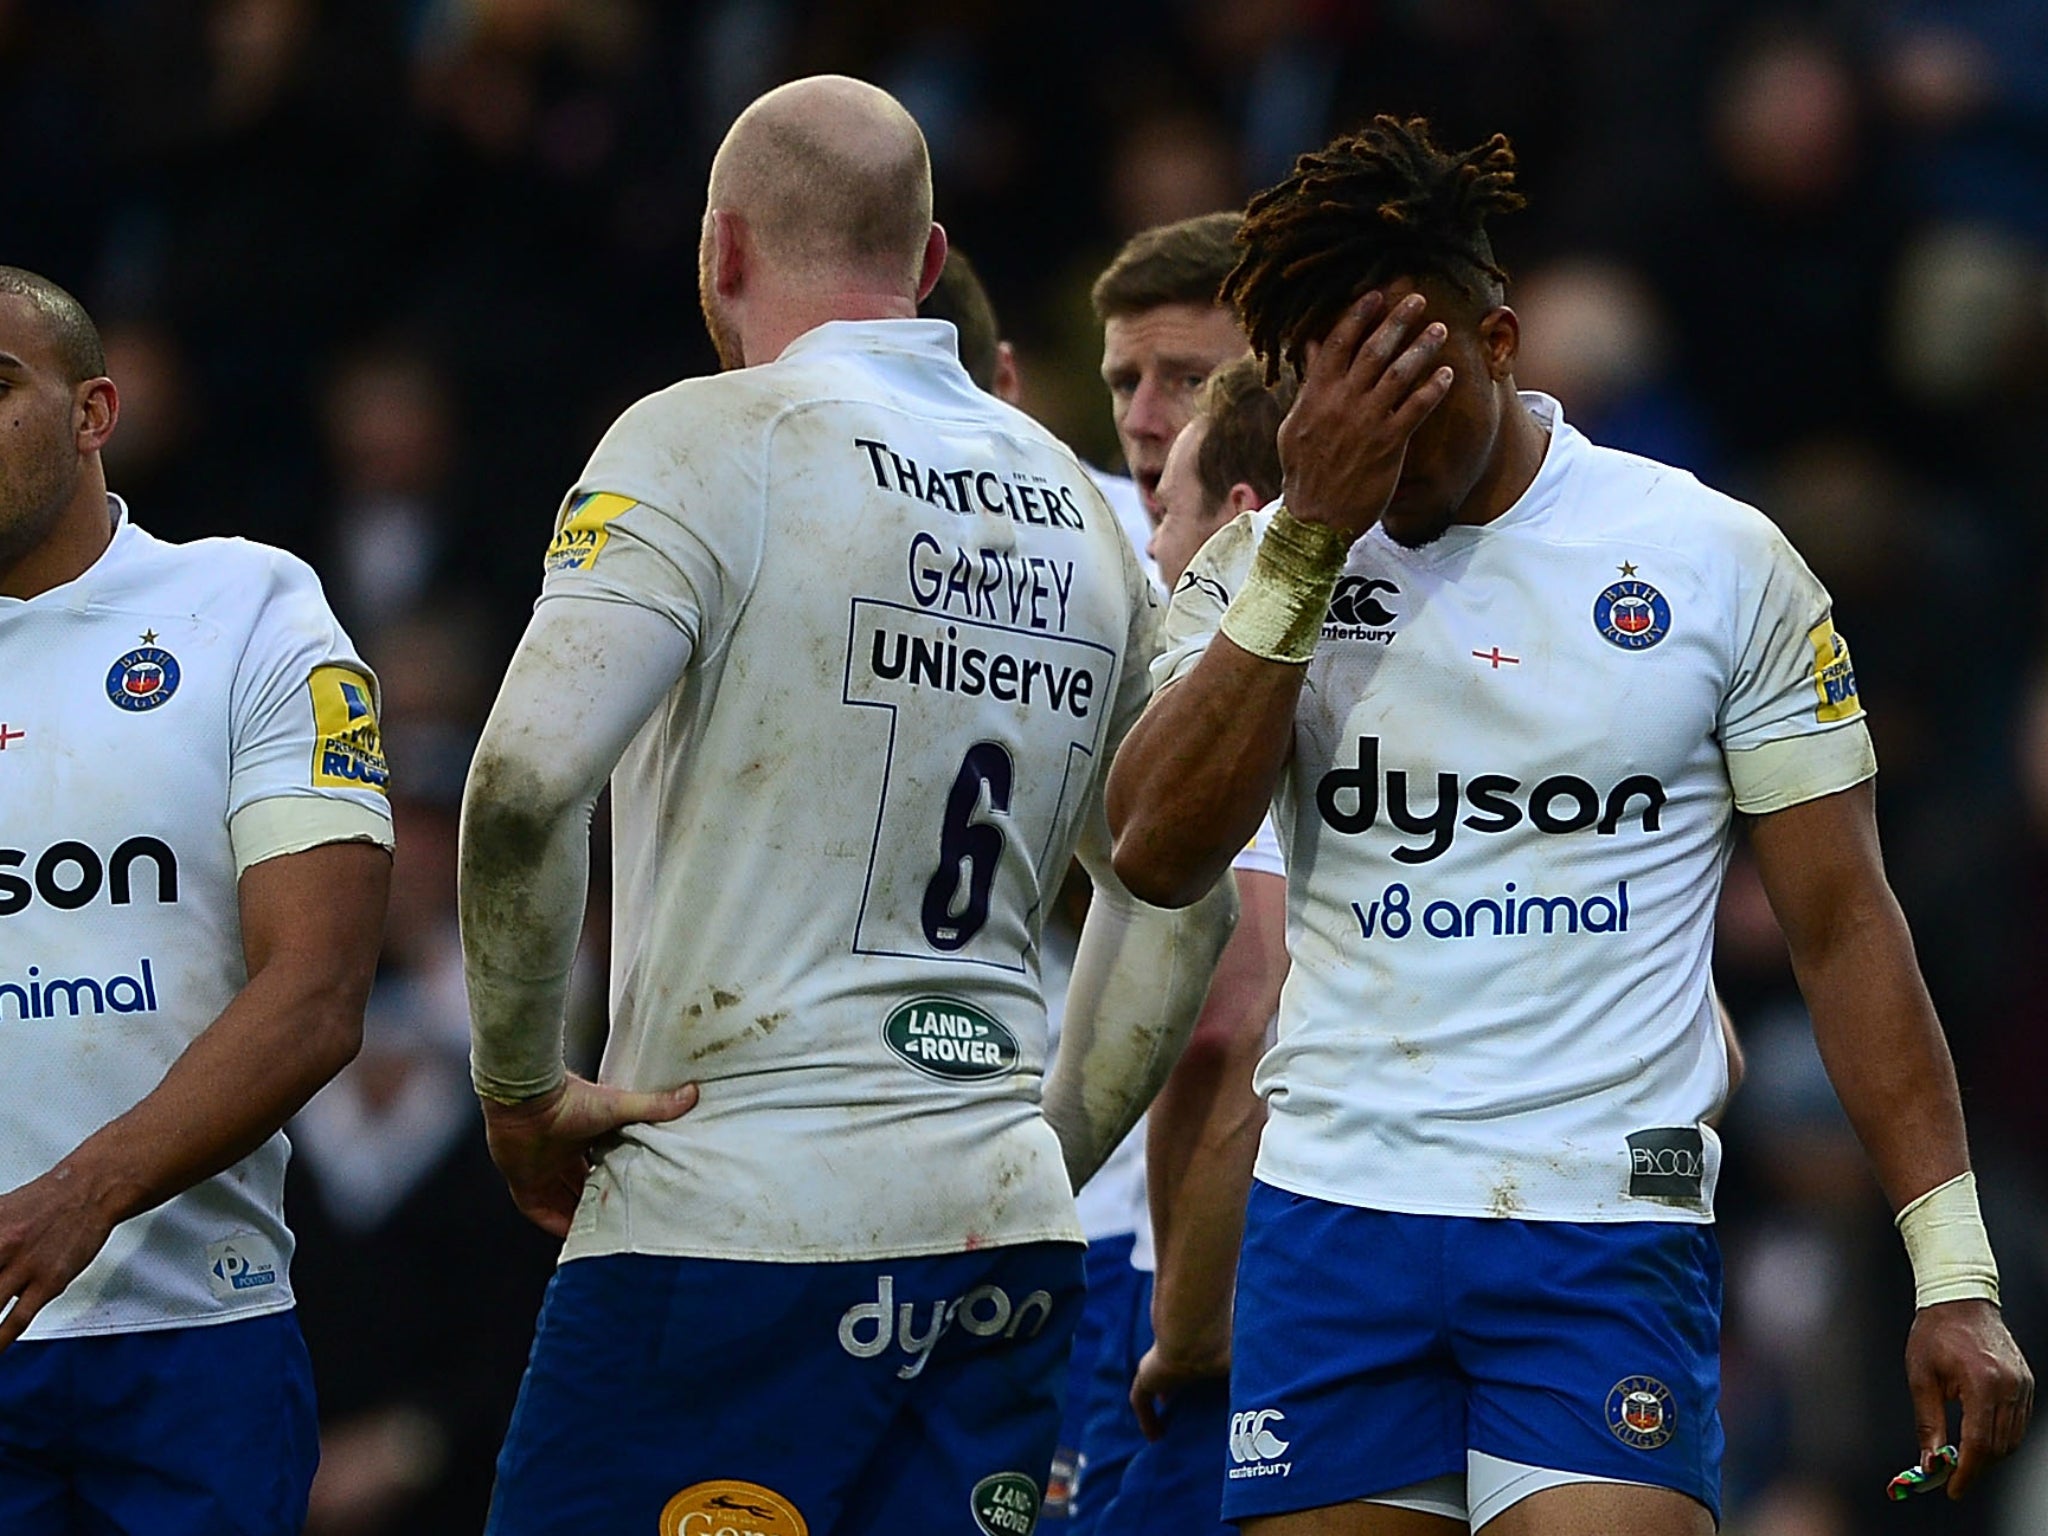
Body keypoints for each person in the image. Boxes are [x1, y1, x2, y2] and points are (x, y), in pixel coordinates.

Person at [1107, 117, 2033, 1534]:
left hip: (1599, 1218)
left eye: (1407, 378)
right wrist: (1305, 542)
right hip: (1337, 1214)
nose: (1379, 432)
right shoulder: (1269, 562)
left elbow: (1847, 925)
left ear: (1498, 339)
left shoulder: (1713, 561)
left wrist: (1952, 1267)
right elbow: (1159, 851)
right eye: (1333, 391)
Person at [457, 75, 1236, 1536]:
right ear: (932, 267)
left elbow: (515, 787)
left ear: (722, 252)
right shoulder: (1083, 515)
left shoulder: (704, 438)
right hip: (997, 1227)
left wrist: (518, 1091)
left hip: (733, 1215)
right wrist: (1048, 1139)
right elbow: (1178, 886)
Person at [0, 266, 394, 1533]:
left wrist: (83, 1194)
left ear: (94, 411)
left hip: (189, 1331)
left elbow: (320, 993)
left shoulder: (248, 611)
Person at [1097, 355, 1296, 1536]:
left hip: (1252, 1316)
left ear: (1234, 518)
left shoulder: (1232, 740)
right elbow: (1714, 1051)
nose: (1155, 547)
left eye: (1162, 507)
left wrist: (1188, 1332)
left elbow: (1229, 1019)